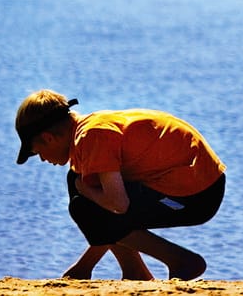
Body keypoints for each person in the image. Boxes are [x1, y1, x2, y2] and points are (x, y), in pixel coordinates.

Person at [15, 89, 226, 281]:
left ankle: (181, 261)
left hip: (197, 194)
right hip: (188, 184)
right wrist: (84, 268)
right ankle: (134, 271)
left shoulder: (91, 136)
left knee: (84, 203)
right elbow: (109, 215)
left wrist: (84, 266)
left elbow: (118, 205)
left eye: (36, 152)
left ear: (48, 138)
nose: (42, 159)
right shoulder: (88, 130)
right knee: (79, 183)